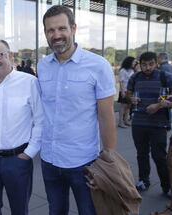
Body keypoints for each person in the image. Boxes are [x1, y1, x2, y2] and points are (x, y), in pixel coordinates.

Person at [37, 5, 117, 215]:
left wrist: (109, 159)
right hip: (49, 159)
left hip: (84, 162)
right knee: (56, 211)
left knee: (88, 211)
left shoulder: (98, 65)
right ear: (45, 33)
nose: (56, 35)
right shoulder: (43, 66)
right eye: (50, 30)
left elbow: (106, 115)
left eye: (61, 28)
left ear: (73, 28)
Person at [0, 39, 44, 215]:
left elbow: (40, 120)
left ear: (10, 55)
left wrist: (29, 153)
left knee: (20, 210)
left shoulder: (29, 82)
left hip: (18, 160)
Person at [127, 51, 171, 196]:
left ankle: (167, 185)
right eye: (144, 64)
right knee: (141, 154)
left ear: (156, 63)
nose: (147, 67)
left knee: (159, 156)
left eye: (151, 64)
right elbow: (128, 94)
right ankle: (144, 180)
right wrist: (131, 98)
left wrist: (161, 105)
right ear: (140, 64)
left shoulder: (165, 77)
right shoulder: (134, 77)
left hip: (158, 124)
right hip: (138, 123)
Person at [117, 56, 135, 128]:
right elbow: (121, 82)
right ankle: (120, 122)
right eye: (133, 62)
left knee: (128, 106)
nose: (134, 63)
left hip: (130, 91)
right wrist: (122, 92)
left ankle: (126, 120)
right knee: (123, 106)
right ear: (129, 62)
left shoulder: (132, 70)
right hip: (124, 90)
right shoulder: (123, 70)